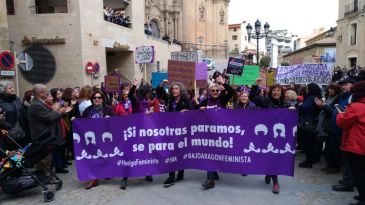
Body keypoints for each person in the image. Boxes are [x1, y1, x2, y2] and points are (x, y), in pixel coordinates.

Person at [250, 78, 293, 194]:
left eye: (278, 90)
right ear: (271, 92)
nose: (276, 92)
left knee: (275, 157)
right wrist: (255, 86)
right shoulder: (265, 101)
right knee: (268, 156)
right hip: (266, 134)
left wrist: (292, 110)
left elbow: (291, 119)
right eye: (274, 90)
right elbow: (252, 98)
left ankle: (275, 182)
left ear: (281, 92)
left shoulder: (286, 104)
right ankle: (269, 172)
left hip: (278, 136)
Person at [197, 76, 233, 190]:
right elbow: (195, 109)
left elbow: (231, 92)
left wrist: (224, 83)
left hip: (220, 133)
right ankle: (210, 179)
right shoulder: (205, 101)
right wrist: (200, 108)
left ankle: (214, 172)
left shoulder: (222, 99)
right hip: (208, 134)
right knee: (209, 154)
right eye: (213, 90)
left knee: (217, 154)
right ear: (209, 92)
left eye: (217, 90)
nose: (215, 92)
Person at [28, 84, 71, 175]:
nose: (47, 93)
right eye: (45, 91)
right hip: (41, 134)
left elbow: (50, 115)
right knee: (45, 158)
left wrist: (58, 111)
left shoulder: (40, 102)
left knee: (48, 157)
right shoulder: (36, 105)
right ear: (39, 93)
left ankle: (46, 175)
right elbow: (49, 118)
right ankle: (44, 176)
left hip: (47, 134)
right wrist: (59, 111)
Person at [157, 81, 192, 187]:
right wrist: (162, 83)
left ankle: (180, 173)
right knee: (171, 152)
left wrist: (186, 112)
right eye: (172, 89)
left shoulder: (185, 100)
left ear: (180, 90)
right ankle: (171, 177)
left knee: (180, 152)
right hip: (172, 130)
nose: (174, 90)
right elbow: (159, 92)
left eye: (176, 88)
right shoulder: (169, 99)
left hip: (183, 130)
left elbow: (192, 111)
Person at [336, 80, 365, 205]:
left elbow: (343, 122)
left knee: (358, 172)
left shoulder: (357, 106)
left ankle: (363, 198)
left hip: (357, 144)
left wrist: (340, 114)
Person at [81, 90, 116, 189]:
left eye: (99, 97)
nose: (97, 99)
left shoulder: (108, 109)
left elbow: (117, 121)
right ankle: (94, 179)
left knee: (105, 156)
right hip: (92, 138)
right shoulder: (88, 110)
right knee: (93, 158)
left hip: (104, 138)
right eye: (94, 98)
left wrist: (110, 119)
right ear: (92, 99)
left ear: (102, 99)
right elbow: (81, 121)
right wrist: (75, 119)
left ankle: (107, 172)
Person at [332, 78, 356, 192]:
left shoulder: (354, 97)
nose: (343, 87)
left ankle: (348, 183)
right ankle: (349, 180)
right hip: (340, 132)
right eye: (342, 85)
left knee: (349, 160)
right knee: (346, 159)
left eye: (346, 84)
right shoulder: (343, 96)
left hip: (348, 134)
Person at [315, 84, 341, 173]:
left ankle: (334, 166)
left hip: (331, 126)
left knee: (332, 148)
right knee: (328, 148)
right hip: (326, 125)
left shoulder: (337, 99)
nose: (330, 91)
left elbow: (335, 112)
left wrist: (323, 106)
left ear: (336, 90)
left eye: (332, 89)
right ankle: (330, 165)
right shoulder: (329, 97)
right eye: (329, 89)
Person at [297, 83, 322, 168]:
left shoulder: (311, 98)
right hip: (312, 122)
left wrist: (299, 106)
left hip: (308, 123)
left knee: (308, 143)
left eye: (308, 88)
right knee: (311, 143)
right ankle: (311, 160)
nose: (306, 89)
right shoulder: (315, 97)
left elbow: (304, 108)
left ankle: (308, 162)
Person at [0, 81, 29, 148]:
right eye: (10, 88)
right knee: (12, 154)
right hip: (8, 133)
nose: (13, 89)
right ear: (3, 90)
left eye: (12, 87)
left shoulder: (16, 98)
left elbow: (22, 112)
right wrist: (9, 125)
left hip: (22, 131)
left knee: (22, 153)